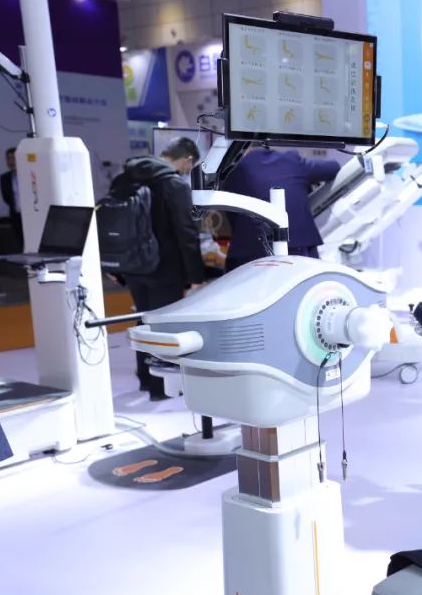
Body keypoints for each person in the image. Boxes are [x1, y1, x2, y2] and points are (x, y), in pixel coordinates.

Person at [109, 137, 206, 400]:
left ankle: (146, 379)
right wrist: (196, 276)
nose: (187, 170)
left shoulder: (123, 179)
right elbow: (187, 234)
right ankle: (162, 387)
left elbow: (113, 223)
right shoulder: (174, 185)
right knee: (164, 325)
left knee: (143, 320)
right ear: (186, 159)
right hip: (166, 268)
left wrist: (115, 268)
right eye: (190, 166)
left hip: (132, 266)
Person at [220, 147, 340, 272]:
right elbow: (333, 168)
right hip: (298, 246)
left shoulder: (229, 172)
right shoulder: (290, 160)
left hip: (250, 252)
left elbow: (231, 217)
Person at [0, 147, 22, 253]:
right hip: (15, 215)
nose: (11, 162)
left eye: (14, 158)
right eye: (8, 159)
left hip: (29, 215)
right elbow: (6, 198)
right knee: (19, 242)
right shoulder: (4, 178)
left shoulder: (28, 175)